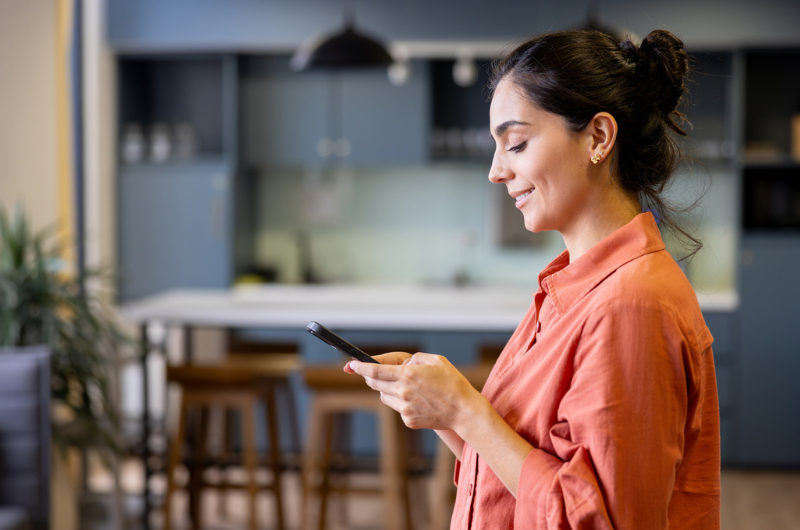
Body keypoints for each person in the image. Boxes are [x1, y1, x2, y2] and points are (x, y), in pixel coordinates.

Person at [347, 28, 720, 529]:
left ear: (599, 138)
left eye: (516, 143)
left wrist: (465, 410)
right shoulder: (569, 288)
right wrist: (444, 410)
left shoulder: (631, 306)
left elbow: (602, 519)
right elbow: (517, 473)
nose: (496, 171)